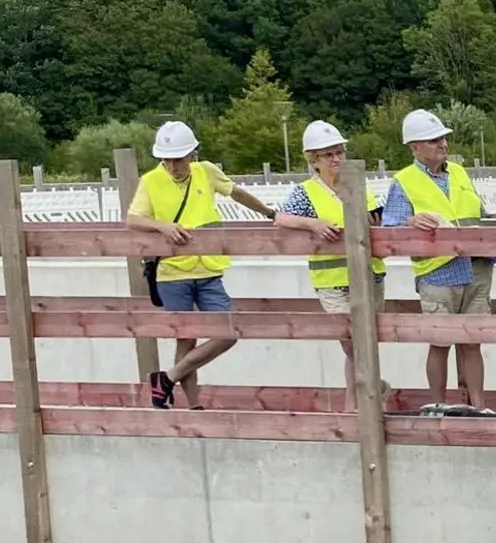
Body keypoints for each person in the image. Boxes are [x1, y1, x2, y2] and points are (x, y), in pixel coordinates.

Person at [127, 120, 276, 409]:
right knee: (186, 339)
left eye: (178, 158)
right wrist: (162, 227)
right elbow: (133, 219)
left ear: (193, 154)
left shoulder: (206, 171)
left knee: (228, 331)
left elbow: (236, 193)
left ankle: (167, 379)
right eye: (167, 159)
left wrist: (270, 213)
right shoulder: (150, 181)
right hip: (171, 272)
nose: (172, 165)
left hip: (208, 268)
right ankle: (193, 406)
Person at [382, 109, 495, 414]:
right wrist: (411, 221)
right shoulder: (404, 182)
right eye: (434, 140)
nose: (442, 144)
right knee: (440, 340)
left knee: (473, 342)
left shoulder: (459, 172)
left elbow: (478, 215)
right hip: (437, 272)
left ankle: (479, 407)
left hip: (475, 267)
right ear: (415, 147)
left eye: (442, 138)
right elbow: (389, 226)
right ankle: (437, 404)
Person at [274, 120, 388, 413]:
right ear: (314, 159)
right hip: (333, 278)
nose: (336, 159)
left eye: (339, 152)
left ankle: (355, 404)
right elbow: (281, 218)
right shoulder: (307, 192)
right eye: (328, 155)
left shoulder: (359, 185)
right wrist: (313, 223)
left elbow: (377, 220)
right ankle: (371, 392)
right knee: (352, 342)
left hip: (368, 274)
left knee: (364, 342)